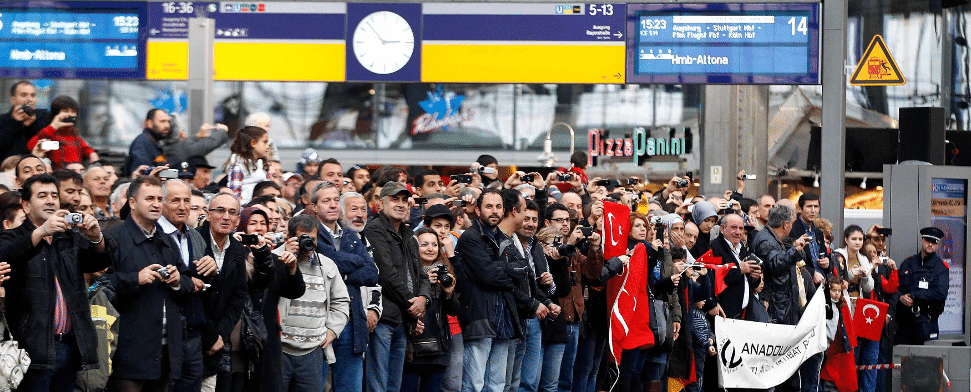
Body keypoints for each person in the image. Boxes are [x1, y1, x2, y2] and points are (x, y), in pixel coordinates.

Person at [0, 173, 112, 392]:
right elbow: (6, 256)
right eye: (42, 196)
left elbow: (99, 263)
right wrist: (42, 231)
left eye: (54, 195)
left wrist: (96, 237)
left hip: (70, 347)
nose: (51, 200)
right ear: (25, 204)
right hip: (31, 351)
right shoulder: (12, 237)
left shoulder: (68, 238)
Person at [104, 176, 193, 391]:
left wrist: (177, 281)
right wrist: (135, 278)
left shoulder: (167, 239)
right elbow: (96, 285)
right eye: (149, 198)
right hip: (127, 351)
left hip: (164, 352)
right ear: (132, 203)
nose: (156, 204)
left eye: (159, 199)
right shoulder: (113, 237)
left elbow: (189, 284)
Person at [363, 181, 430, 392]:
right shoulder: (374, 229)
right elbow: (386, 273)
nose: (401, 204)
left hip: (403, 318)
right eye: (395, 199)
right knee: (378, 383)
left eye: (404, 200)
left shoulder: (409, 235)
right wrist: (414, 303)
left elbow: (422, 274)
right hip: (384, 316)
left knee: (394, 384)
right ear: (381, 204)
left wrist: (424, 299)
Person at [312, 183, 379, 392]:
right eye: (326, 201)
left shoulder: (350, 235)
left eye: (335, 200)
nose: (332, 205)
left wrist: (343, 272)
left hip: (352, 320)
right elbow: (325, 260)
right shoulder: (310, 232)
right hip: (319, 320)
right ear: (314, 206)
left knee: (350, 387)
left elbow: (372, 273)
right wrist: (354, 261)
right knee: (317, 385)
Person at [276, 214, 350, 392]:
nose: (308, 243)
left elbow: (341, 301)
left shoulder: (328, 265)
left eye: (313, 239)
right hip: (280, 349)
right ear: (291, 237)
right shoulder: (276, 259)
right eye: (303, 238)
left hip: (312, 352)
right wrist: (284, 253)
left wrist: (332, 330)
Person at [158, 179, 218, 392]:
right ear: (161, 203)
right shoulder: (152, 233)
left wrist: (211, 269)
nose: (182, 206)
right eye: (175, 201)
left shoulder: (194, 236)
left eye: (187, 201)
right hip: (163, 333)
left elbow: (207, 284)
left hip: (192, 332)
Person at [402, 228, 459, 392]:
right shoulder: (406, 274)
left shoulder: (444, 271)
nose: (430, 248)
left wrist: (448, 294)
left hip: (438, 349)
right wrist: (424, 281)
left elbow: (454, 311)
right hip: (413, 350)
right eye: (424, 244)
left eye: (435, 245)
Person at [895, 227, 949, 345]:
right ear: (922, 240)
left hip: (927, 322)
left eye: (934, 242)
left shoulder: (941, 267)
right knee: (901, 359)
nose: (930, 244)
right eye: (928, 240)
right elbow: (896, 287)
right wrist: (901, 297)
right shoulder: (908, 263)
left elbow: (940, 293)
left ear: (938, 245)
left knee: (927, 360)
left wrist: (914, 295)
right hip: (905, 323)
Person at [74, 266, 119, 392]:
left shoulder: (102, 295)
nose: (105, 267)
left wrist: (105, 370)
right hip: (70, 381)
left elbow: (111, 336)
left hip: (97, 382)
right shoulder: (68, 290)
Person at [27, 95, 98, 169]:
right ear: (56, 114)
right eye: (65, 111)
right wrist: (53, 126)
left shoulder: (74, 134)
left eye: (73, 111)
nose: (70, 115)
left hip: (77, 172)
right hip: (58, 174)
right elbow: (32, 146)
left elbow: (86, 148)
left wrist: (92, 155)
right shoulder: (51, 134)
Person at [0, 81, 51, 161]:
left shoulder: (44, 116)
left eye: (33, 95)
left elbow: (55, 145)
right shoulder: (3, 121)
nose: (29, 99)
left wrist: (34, 123)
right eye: (24, 95)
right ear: (13, 99)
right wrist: (14, 123)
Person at [788, 193, 829, 284]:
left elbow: (826, 255)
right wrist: (812, 273)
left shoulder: (818, 232)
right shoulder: (792, 230)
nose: (813, 210)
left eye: (816, 206)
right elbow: (792, 258)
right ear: (799, 209)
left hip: (822, 282)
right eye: (809, 206)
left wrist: (827, 262)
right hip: (803, 283)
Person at [225, 126, 271, 204]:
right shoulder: (238, 166)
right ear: (253, 143)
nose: (268, 147)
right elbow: (235, 195)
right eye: (265, 142)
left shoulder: (261, 165)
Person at [128, 109, 170, 174]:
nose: (167, 125)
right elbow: (141, 176)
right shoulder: (142, 142)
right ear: (150, 123)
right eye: (162, 121)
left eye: (168, 121)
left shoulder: (155, 142)